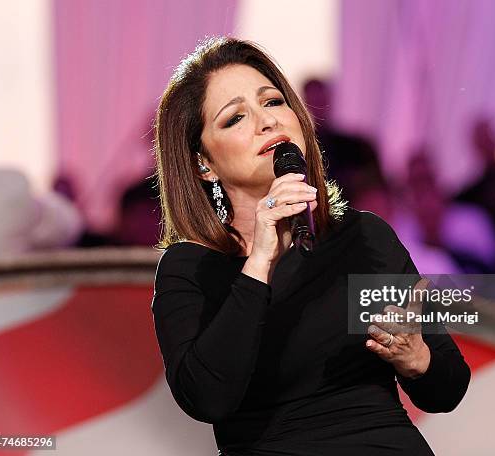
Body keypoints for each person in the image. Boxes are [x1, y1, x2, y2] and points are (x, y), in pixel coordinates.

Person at [151, 36, 471, 455]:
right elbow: (208, 396)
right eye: (235, 118)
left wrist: (417, 359)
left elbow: (447, 389)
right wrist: (260, 261)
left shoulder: (363, 237)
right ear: (202, 163)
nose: (267, 122)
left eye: (273, 101)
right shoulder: (191, 267)